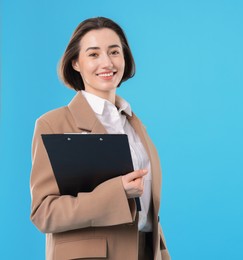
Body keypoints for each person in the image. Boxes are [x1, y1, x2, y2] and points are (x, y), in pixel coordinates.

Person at [30, 17, 170, 260]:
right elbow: (45, 213)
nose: (107, 62)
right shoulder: (54, 124)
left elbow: (148, 211)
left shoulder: (134, 124)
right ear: (75, 63)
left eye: (114, 51)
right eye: (93, 54)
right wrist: (116, 192)